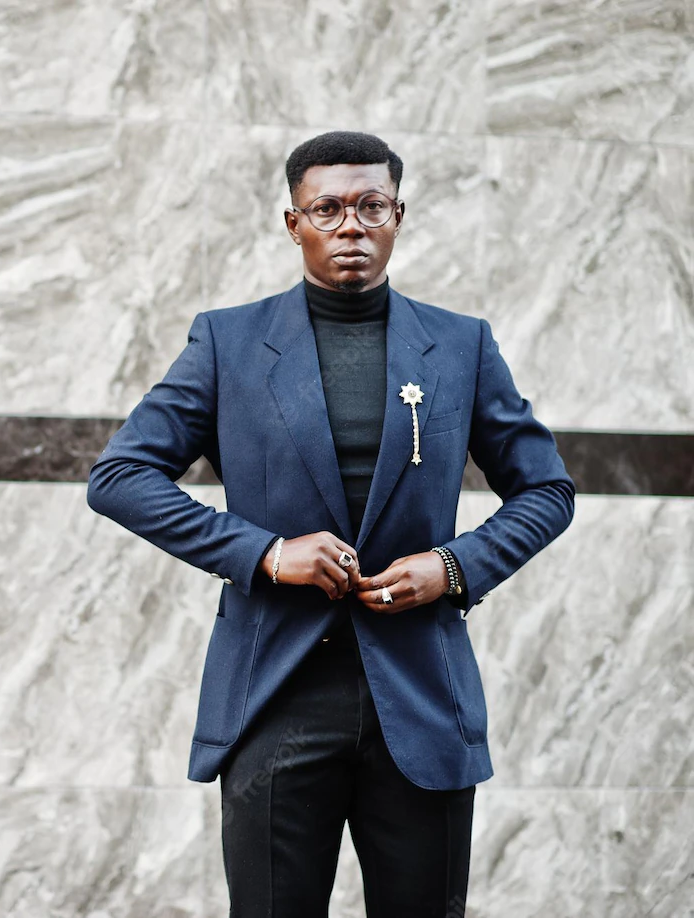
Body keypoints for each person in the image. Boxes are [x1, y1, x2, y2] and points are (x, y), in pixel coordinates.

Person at [86, 131, 575, 917]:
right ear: (294, 223)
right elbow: (119, 478)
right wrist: (266, 552)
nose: (351, 225)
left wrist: (452, 567)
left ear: (398, 215)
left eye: (370, 206)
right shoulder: (228, 343)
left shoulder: (459, 345)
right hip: (276, 697)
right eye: (329, 208)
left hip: (420, 697)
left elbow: (547, 491)